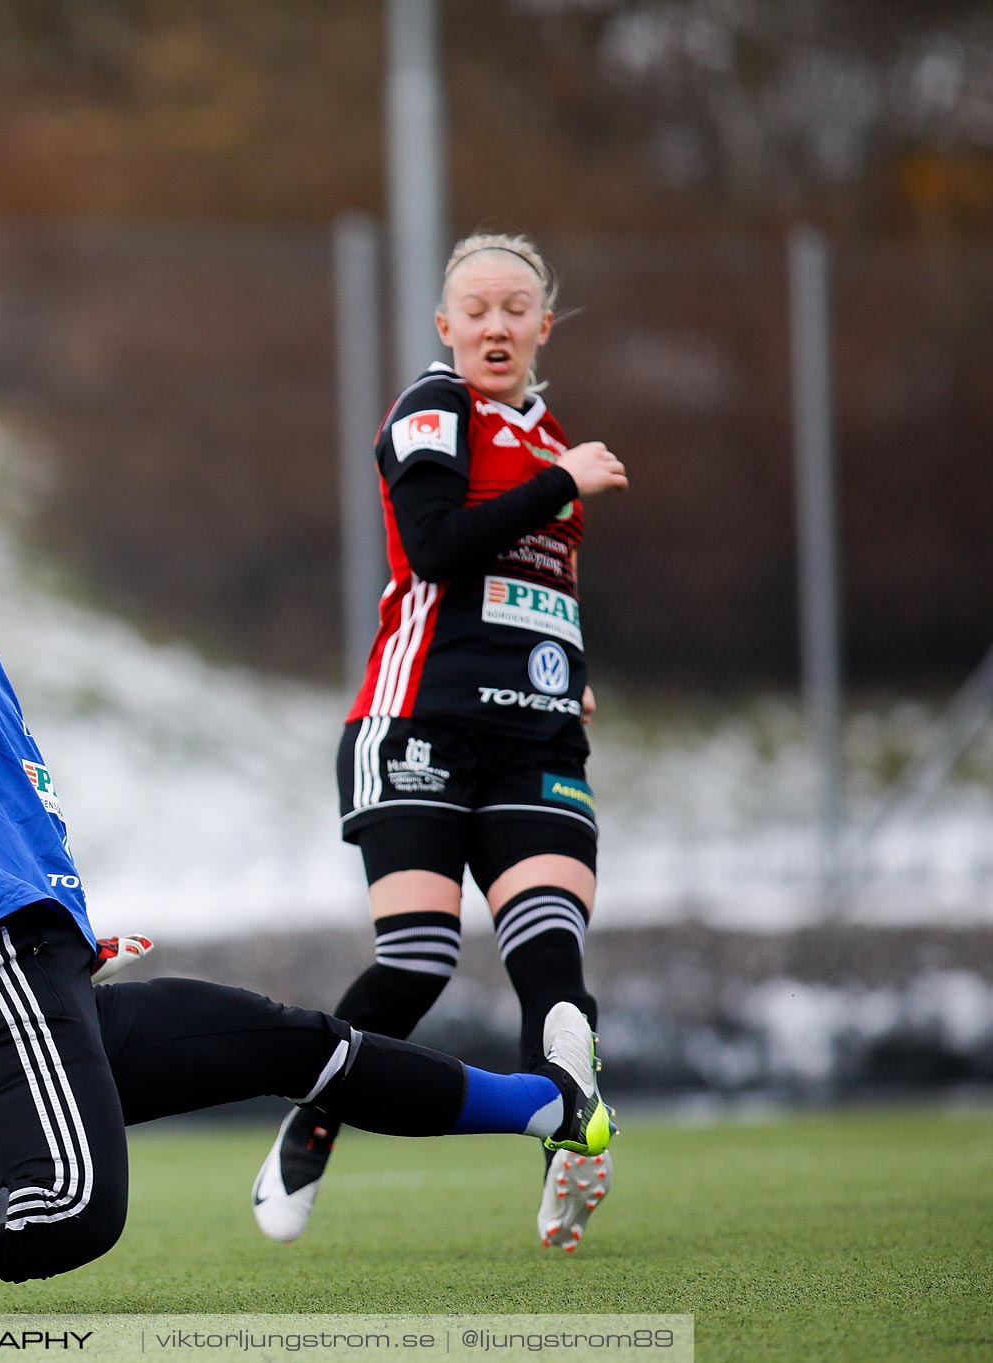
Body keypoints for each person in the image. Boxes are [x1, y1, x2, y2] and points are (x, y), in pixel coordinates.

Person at [0, 209, 613, 1334]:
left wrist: (61, 922)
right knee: (71, 1210)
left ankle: (555, 1108)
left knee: (306, 1045)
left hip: (32, 972)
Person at [251, 233, 628, 1255]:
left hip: (535, 733)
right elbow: (435, 548)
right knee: (417, 961)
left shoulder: (550, 433)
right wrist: (562, 483)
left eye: (517, 307)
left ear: (544, 324)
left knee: (549, 952)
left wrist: (570, 665)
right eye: (478, 308)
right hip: (417, 724)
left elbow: (537, 583)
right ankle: (314, 1117)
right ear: (446, 327)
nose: (497, 324)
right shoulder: (435, 409)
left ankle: (566, 1148)